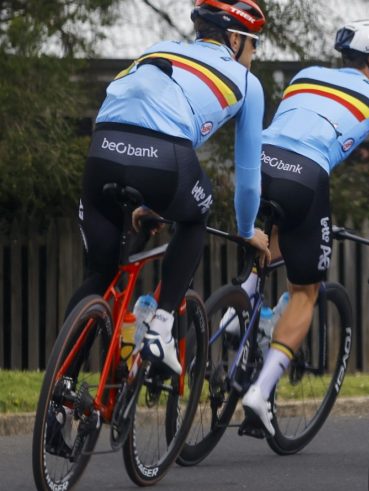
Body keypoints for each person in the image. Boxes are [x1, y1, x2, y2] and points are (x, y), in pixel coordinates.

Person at [68, 0, 270, 377]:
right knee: (196, 215)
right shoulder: (247, 83)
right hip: (163, 159)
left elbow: (133, 106)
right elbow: (247, 179)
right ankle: (161, 327)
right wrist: (246, 232)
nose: (255, 53)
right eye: (254, 43)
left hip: (103, 149)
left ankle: (60, 393)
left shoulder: (157, 48)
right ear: (234, 38)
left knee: (100, 275)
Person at [237, 20, 369, 435]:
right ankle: (260, 391)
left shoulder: (306, 74)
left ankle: (233, 312)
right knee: (306, 291)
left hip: (260, 159)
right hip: (306, 174)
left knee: (273, 242)